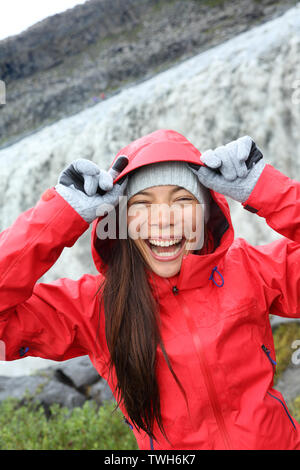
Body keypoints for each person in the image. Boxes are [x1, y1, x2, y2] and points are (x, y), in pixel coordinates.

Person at [0, 128, 299, 450]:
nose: (164, 220)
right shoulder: (92, 306)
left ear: (207, 213)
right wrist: (60, 215)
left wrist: (265, 188)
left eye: (183, 200)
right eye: (142, 204)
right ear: (122, 221)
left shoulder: (251, 270)